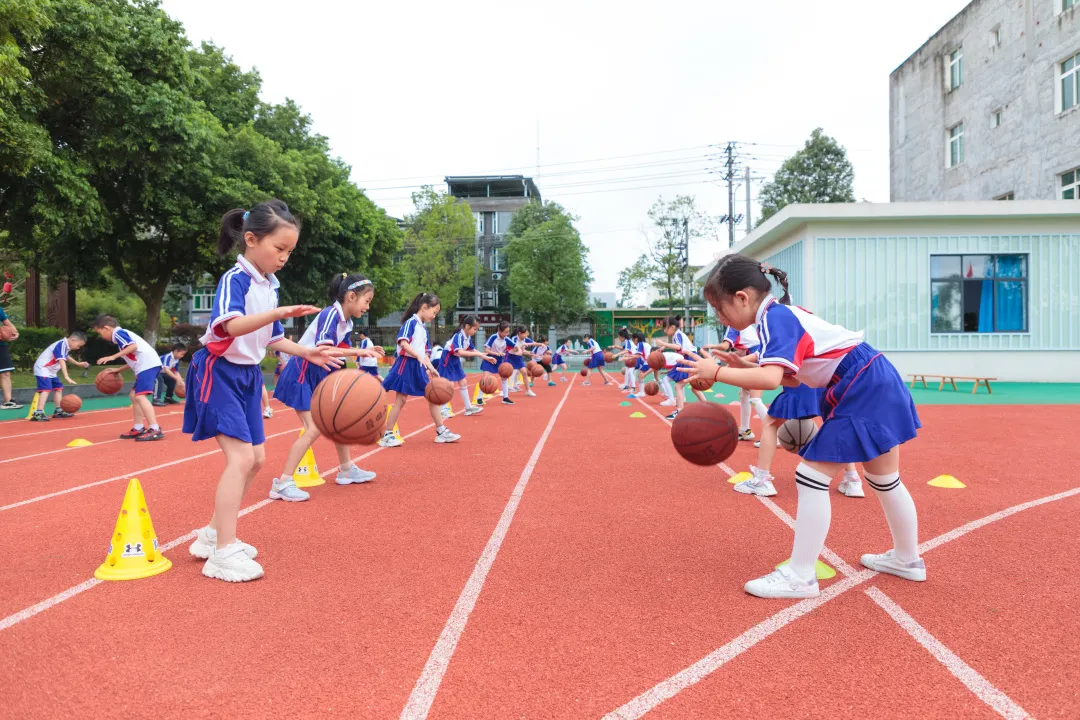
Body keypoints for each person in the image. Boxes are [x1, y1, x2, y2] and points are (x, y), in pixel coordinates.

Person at [680, 255, 924, 599]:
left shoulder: (775, 318)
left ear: (742, 298)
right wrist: (740, 365)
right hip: (871, 378)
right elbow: (793, 381)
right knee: (884, 479)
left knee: (810, 478)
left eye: (719, 310)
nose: (721, 319)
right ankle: (907, 559)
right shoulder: (781, 314)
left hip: (861, 386)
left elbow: (768, 378)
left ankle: (800, 575)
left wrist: (717, 372)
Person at [184, 200, 339, 582]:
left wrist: (307, 352)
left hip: (249, 376)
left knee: (255, 460)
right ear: (251, 239)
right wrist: (277, 313)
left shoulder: (270, 285)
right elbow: (231, 327)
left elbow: (273, 337)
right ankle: (222, 554)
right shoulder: (235, 279)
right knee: (239, 460)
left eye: (290, 251)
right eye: (279, 248)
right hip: (218, 372)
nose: (285, 257)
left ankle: (213, 534)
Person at [271, 272, 383, 501]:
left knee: (338, 419)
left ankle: (346, 469)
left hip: (318, 372)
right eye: (367, 301)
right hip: (301, 372)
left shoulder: (346, 321)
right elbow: (324, 350)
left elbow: (337, 354)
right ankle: (282, 483)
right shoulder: (330, 314)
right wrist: (359, 351)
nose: (368, 307)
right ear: (351, 296)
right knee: (313, 428)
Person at [379, 293, 460, 447]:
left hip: (418, 366)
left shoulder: (423, 329)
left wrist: (431, 369)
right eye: (434, 312)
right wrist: (417, 356)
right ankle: (387, 434)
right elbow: (403, 343)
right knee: (400, 400)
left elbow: (424, 355)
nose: (434, 316)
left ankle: (441, 431)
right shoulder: (411, 323)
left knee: (432, 397)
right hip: (405, 364)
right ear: (424, 307)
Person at [93, 315, 166, 441]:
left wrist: (112, 357)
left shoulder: (119, 333)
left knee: (140, 396)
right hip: (146, 365)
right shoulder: (121, 336)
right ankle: (138, 428)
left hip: (148, 365)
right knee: (134, 396)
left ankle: (155, 429)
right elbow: (133, 359)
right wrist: (118, 370)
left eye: (100, 333)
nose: (101, 337)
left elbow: (133, 347)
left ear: (106, 328)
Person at [440, 314, 494, 416]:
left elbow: (472, 349)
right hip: (447, 358)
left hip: (455, 359)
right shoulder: (459, 336)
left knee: (463, 382)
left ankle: (468, 408)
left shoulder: (467, 337)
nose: (476, 331)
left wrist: (484, 356)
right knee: (449, 384)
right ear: (467, 326)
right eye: (475, 329)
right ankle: (443, 409)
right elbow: (461, 352)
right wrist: (479, 354)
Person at [655, 316, 706, 420]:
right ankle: (708, 408)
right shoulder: (678, 335)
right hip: (689, 359)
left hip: (690, 359)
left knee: (678, 386)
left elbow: (679, 347)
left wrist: (664, 344)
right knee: (694, 388)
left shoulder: (677, 335)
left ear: (672, 327)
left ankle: (680, 410)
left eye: (666, 328)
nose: (664, 330)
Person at [30, 331, 88, 421]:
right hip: (43, 368)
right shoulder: (61, 344)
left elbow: (67, 357)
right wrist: (66, 376)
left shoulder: (65, 345)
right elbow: (62, 361)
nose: (78, 348)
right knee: (46, 389)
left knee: (58, 388)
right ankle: (39, 413)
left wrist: (78, 363)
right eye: (78, 345)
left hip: (51, 371)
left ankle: (58, 411)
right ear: (73, 340)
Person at [479, 321, 513, 405]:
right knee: (485, 378)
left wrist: (519, 350)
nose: (506, 334)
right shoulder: (493, 337)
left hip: (500, 360)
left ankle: (505, 398)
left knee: (504, 377)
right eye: (505, 332)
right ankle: (479, 398)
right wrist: (496, 353)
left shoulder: (507, 339)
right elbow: (486, 350)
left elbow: (515, 347)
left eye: (508, 332)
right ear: (499, 330)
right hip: (489, 358)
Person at [0, 305, 22, 409]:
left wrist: (15, 333)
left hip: (1, 345)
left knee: (5, 373)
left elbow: (7, 323)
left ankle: (8, 401)